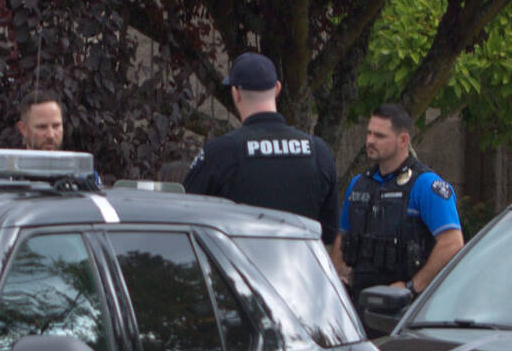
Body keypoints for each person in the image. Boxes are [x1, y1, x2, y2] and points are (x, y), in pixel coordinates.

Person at [183, 52, 340, 245]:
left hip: (239, 272)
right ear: (277, 89)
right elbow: (330, 232)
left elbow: (186, 218)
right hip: (301, 272)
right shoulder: (318, 151)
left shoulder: (220, 153)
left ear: (236, 93)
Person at [333, 103, 463, 301]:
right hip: (360, 301)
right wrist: (336, 282)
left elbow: (452, 243)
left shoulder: (426, 185)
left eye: (379, 136)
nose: (370, 141)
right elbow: (342, 239)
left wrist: (411, 288)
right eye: (369, 134)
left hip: (405, 308)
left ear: (403, 140)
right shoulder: (358, 185)